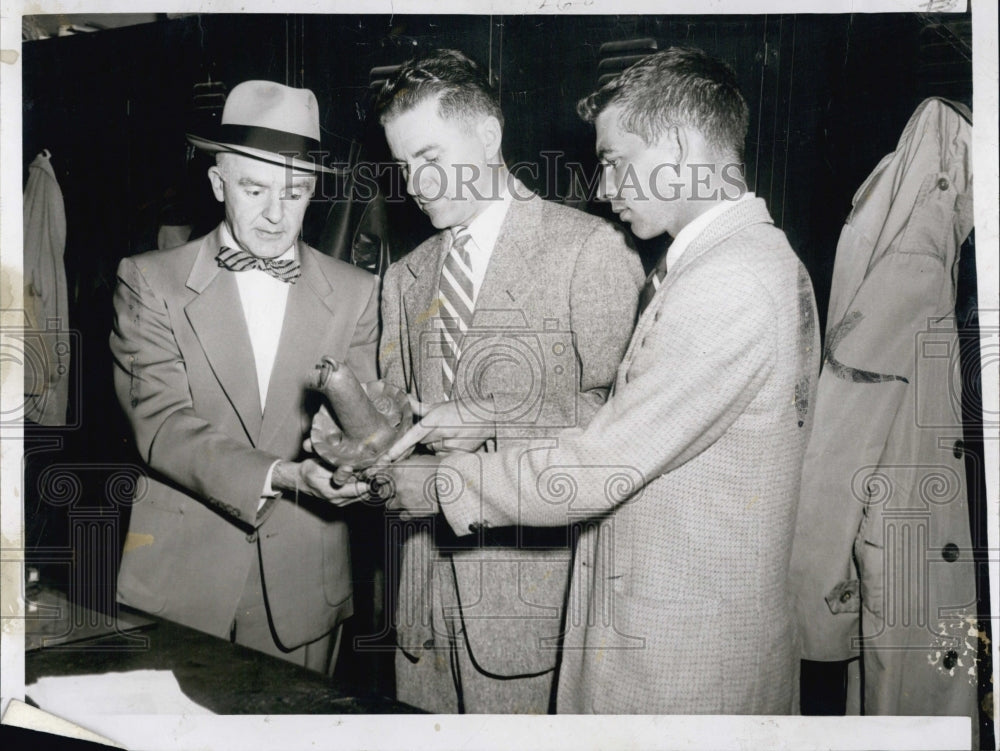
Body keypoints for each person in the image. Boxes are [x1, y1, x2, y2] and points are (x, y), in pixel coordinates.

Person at [377, 47, 821, 713]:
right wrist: (488, 420)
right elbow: (636, 426)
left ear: (676, 146)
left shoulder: (730, 282)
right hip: (667, 646)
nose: (604, 186)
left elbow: (601, 461)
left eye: (615, 161)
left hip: (683, 665)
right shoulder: (730, 264)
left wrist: (444, 484)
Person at [370, 49, 643, 713]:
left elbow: (627, 430)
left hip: (534, 614)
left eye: (431, 158)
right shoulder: (403, 278)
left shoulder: (588, 250)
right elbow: (398, 433)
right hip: (421, 615)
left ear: (488, 136)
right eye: (405, 166)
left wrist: (496, 420)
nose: (416, 184)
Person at [110, 80, 379, 673]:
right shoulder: (149, 280)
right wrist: (282, 474)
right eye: (254, 189)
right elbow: (160, 424)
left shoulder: (360, 294)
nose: (276, 214)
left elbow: (360, 428)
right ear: (217, 184)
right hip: (179, 583)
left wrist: (360, 469)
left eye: (295, 191)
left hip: (304, 592)